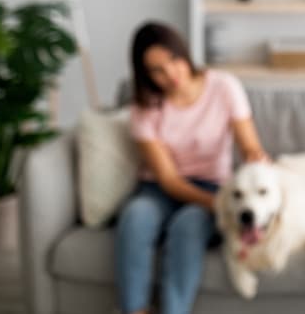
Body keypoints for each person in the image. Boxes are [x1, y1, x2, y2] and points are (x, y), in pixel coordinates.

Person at [115, 21, 269, 314]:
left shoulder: (224, 86)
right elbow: (169, 180)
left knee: (187, 225)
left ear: (183, 53)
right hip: (160, 189)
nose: (170, 74)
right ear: (145, 75)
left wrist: (256, 163)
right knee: (136, 216)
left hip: (212, 183)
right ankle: (134, 310)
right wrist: (220, 206)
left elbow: (249, 146)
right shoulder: (143, 109)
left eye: (173, 61)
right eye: (156, 70)